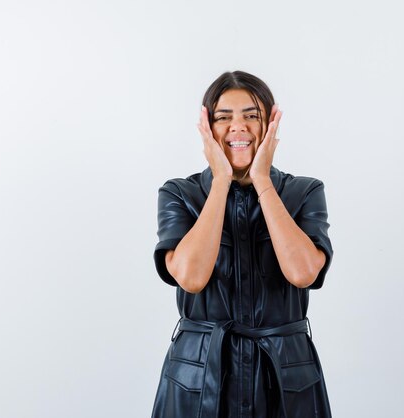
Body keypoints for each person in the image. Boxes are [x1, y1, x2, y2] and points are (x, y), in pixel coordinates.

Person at [151, 70, 334, 418]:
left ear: (270, 125)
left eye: (252, 115)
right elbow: (190, 277)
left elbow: (303, 273)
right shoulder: (179, 193)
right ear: (207, 127)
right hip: (199, 376)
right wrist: (220, 181)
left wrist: (262, 179)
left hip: (284, 376)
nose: (239, 127)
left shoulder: (305, 192)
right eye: (224, 117)